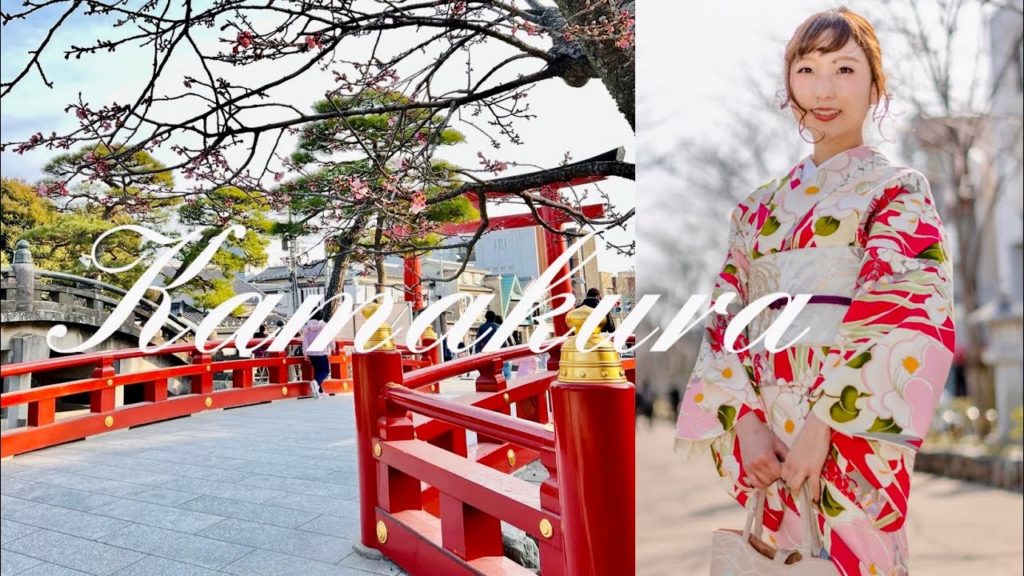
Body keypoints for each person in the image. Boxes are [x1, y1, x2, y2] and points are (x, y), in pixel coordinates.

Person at [674, 8, 955, 575]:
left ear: (877, 84)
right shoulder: (757, 209)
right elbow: (726, 314)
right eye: (807, 70)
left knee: (855, 558)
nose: (823, 90)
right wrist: (748, 427)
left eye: (845, 70)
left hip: (851, 426)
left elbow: (903, 313)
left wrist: (822, 428)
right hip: (769, 430)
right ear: (789, 85)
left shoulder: (896, 191)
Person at [302, 310, 330, 399]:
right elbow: (329, 337)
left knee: (318, 371)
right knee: (325, 371)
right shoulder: (323, 326)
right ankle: (316, 383)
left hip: (312, 353)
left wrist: (305, 353)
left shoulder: (307, 328)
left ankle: (319, 391)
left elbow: (305, 342)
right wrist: (332, 347)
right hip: (321, 352)